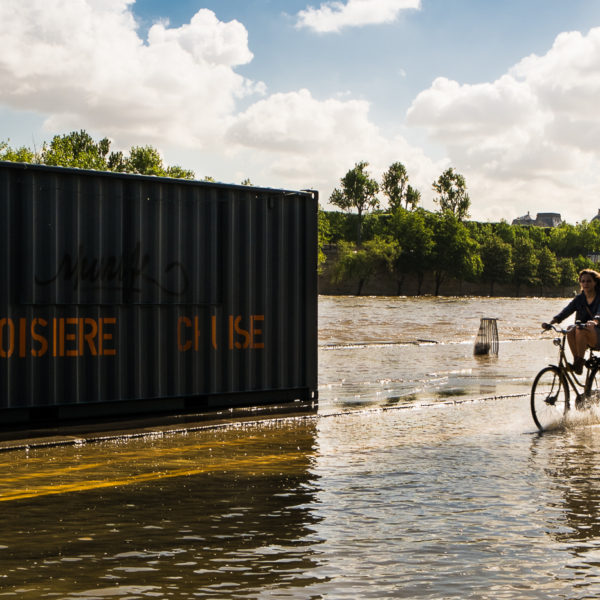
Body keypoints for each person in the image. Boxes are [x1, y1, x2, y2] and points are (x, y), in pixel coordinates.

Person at [545, 268, 600, 374]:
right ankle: (577, 362)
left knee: (580, 329)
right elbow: (567, 310)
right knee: (570, 328)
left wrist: (595, 321)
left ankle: (578, 363)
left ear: (595, 283)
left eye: (589, 281)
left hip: (597, 334)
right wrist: (552, 322)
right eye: (583, 281)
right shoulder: (579, 298)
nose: (585, 283)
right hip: (583, 334)